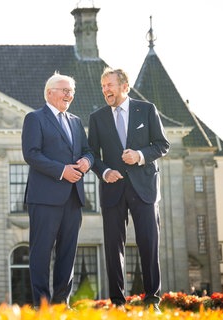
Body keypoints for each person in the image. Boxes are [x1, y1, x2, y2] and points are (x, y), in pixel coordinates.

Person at [88, 67, 170, 311]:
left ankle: (152, 300)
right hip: (113, 190)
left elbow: (162, 145)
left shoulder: (146, 110)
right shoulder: (97, 117)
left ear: (124, 86)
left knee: (149, 243)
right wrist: (104, 171)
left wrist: (140, 155)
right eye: (103, 87)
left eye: (110, 85)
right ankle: (117, 302)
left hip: (144, 187)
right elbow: (91, 154)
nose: (106, 90)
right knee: (113, 247)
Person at [21, 72, 94, 308]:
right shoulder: (35, 118)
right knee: (40, 253)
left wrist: (87, 161)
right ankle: (41, 305)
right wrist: (62, 170)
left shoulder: (75, 121)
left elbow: (87, 150)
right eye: (64, 90)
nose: (69, 95)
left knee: (67, 253)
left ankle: (61, 303)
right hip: (44, 199)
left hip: (73, 198)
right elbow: (31, 154)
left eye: (71, 91)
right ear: (49, 92)